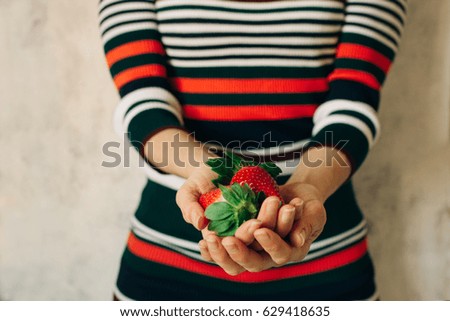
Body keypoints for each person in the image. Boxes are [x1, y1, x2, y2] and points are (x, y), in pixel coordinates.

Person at [98, 0, 407, 300]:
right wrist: (208, 171)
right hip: (167, 260)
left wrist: (310, 186)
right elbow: (143, 104)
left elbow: (352, 104)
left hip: (324, 251)